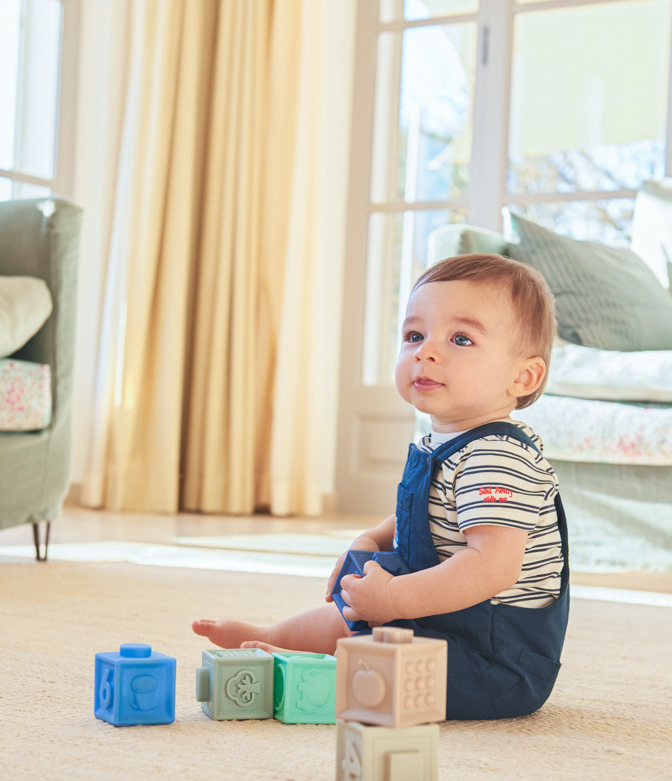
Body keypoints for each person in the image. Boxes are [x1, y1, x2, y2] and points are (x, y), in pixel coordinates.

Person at [193, 253, 569, 720]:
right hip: (443, 619)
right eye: (414, 335)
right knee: (352, 614)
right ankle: (277, 636)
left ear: (523, 377)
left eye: (460, 338)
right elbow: (426, 514)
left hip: (494, 662)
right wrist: (373, 539)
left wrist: (393, 600)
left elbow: (492, 566)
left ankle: (303, 670)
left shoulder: (498, 456)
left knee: (376, 659)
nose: (425, 351)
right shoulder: (444, 444)